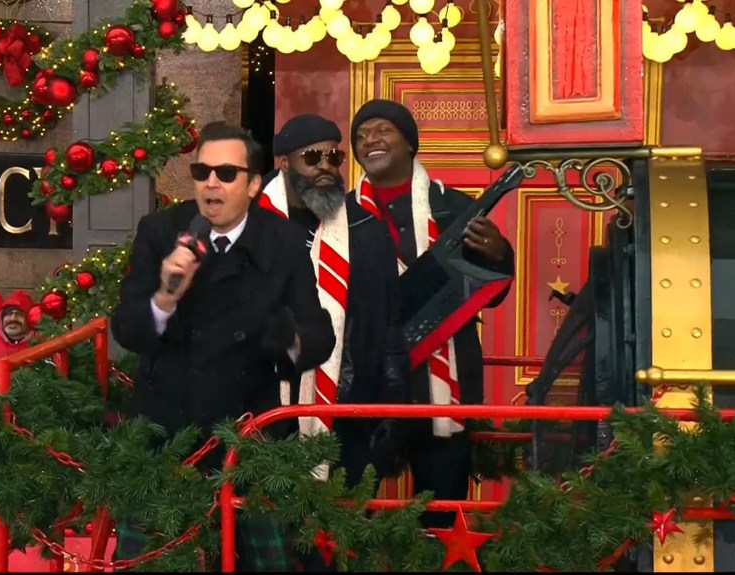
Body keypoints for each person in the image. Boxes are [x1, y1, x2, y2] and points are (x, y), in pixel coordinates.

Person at [110, 121, 336, 571]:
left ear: (253, 184)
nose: (211, 183)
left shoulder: (282, 240)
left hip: (248, 433)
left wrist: (285, 337)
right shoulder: (160, 231)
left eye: (227, 173)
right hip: (165, 431)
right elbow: (127, 330)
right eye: (201, 171)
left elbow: (319, 337)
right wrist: (165, 298)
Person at [350, 100, 515, 527]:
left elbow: (489, 293)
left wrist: (498, 257)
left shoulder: (454, 208)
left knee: (442, 510)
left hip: (444, 382)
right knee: (349, 510)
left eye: (382, 130)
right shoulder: (338, 215)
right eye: (361, 136)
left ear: (409, 142)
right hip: (366, 383)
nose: (370, 141)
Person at [258, 114, 413, 490]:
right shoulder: (250, 224)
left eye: (334, 158)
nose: (325, 167)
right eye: (312, 158)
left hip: (347, 409)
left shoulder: (365, 228)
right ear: (284, 164)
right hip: (261, 406)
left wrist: (391, 406)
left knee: (343, 536)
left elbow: (389, 324)